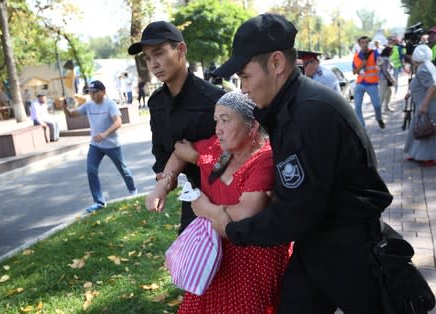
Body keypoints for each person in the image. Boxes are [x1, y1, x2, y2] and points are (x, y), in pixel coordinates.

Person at [211, 14, 393, 313]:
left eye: (245, 76)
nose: (243, 88)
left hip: (347, 248)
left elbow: (295, 213)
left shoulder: (308, 113)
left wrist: (232, 230)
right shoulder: (290, 107)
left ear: (277, 64)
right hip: (317, 240)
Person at [147, 91, 290, 313]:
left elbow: (246, 213)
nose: (218, 129)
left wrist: (207, 209)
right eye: (216, 121)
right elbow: (180, 152)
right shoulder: (220, 149)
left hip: (253, 260)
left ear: (252, 127)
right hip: (214, 256)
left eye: (226, 120)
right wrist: (162, 185)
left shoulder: (264, 158)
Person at [128, 21, 224, 233]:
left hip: (227, 198)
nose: (153, 63)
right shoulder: (156, 103)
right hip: (192, 197)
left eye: (159, 53)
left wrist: (198, 158)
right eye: (148, 57)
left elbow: (237, 156)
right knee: (190, 262)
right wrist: (163, 183)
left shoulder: (215, 100)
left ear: (181, 49)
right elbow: (162, 152)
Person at [63, 80, 137, 213]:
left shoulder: (110, 105)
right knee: (91, 170)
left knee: (123, 168)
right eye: (90, 92)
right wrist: (64, 108)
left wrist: (104, 134)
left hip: (112, 144)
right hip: (95, 145)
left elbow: (118, 122)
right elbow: (71, 115)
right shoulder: (88, 106)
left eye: (95, 92)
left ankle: (133, 191)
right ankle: (99, 201)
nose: (92, 95)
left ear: (103, 92)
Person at [404, 45, 436, 167]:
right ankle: (417, 153)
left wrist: (425, 105)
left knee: (427, 130)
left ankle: (428, 157)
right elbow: (423, 84)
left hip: (428, 105)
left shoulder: (423, 69)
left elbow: (432, 86)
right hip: (425, 104)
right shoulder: (425, 66)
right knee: (419, 128)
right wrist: (411, 93)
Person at [353, 35, 385, 129]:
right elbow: (354, 71)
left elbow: (380, 61)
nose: (364, 44)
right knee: (357, 107)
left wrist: (379, 63)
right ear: (359, 44)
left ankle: (378, 118)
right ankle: (362, 127)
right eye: (362, 42)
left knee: (377, 105)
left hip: (372, 84)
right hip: (360, 84)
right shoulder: (356, 56)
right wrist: (362, 64)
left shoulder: (373, 53)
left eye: (366, 42)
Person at [378, 46, 396, 113]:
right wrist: (391, 79)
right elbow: (386, 70)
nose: (392, 52)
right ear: (388, 51)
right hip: (385, 79)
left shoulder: (382, 58)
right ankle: (379, 110)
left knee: (388, 93)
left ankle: (386, 107)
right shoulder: (386, 59)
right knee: (382, 94)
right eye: (391, 51)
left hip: (383, 78)